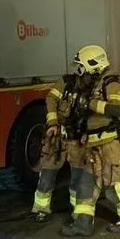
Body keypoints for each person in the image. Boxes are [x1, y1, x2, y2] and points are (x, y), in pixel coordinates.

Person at [61, 44, 120, 237]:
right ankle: (83, 224)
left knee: (116, 186)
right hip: (94, 145)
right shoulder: (94, 85)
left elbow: (117, 109)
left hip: (110, 144)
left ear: (93, 65)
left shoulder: (111, 84)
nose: (80, 72)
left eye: (82, 67)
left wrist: (91, 104)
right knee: (86, 184)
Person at [30, 72, 90, 222]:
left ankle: (76, 211)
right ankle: (41, 209)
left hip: (78, 140)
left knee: (78, 176)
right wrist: (53, 122)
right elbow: (51, 98)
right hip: (57, 136)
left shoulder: (95, 88)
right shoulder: (66, 82)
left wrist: (87, 133)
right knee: (48, 173)